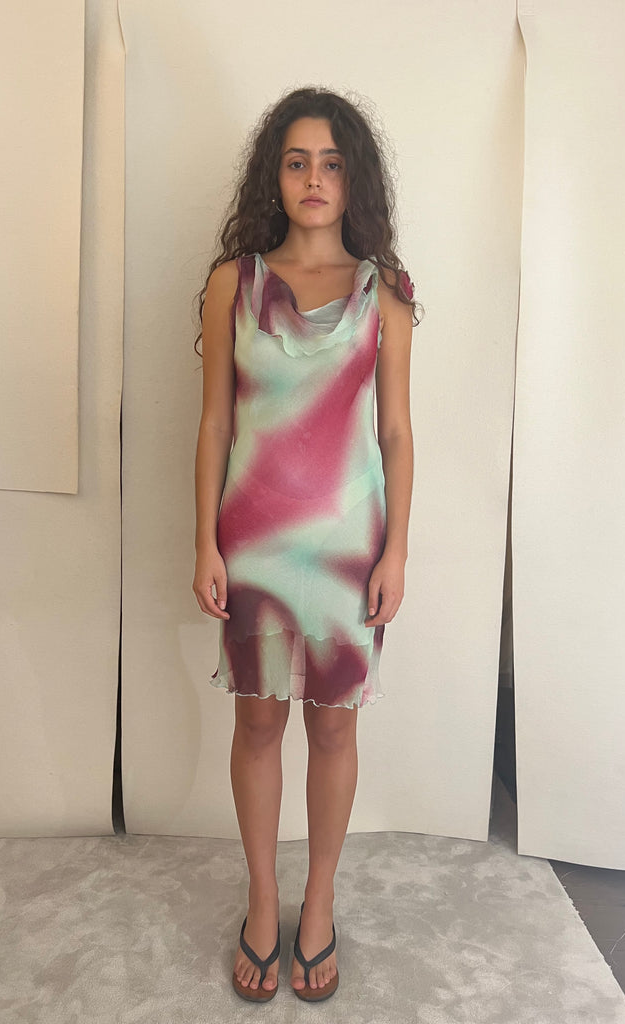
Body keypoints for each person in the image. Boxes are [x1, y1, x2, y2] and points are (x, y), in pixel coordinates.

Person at [192, 86, 417, 1003]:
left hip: (347, 553)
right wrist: (203, 543)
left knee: (332, 727)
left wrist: (397, 551)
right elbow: (215, 425)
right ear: (274, 176)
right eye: (296, 162)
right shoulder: (232, 285)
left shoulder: (385, 294)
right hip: (252, 548)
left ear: (353, 177)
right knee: (256, 724)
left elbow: (395, 432)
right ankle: (262, 899)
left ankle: (318, 903)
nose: (314, 178)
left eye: (331, 162)